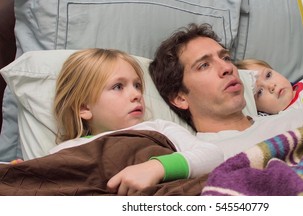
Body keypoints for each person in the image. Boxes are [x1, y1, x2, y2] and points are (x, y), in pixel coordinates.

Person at [149, 16, 303, 159]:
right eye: (204, 65)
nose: (227, 68)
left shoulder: (291, 116)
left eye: (225, 58)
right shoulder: (206, 154)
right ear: (180, 98)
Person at [51, 48, 223, 195]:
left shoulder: (159, 128)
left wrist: (156, 168)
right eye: (118, 86)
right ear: (84, 108)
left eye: (137, 85)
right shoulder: (68, 149)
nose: (137, 95)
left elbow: (213, 155)